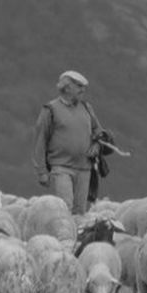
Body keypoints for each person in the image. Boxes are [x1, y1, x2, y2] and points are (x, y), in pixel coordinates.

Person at [32, 70, 104, 214]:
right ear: (67, 87)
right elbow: (40, 140)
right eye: (79, 86)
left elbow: (98, 131)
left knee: (80, 212)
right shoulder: (51, 109)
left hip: (84, 168)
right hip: (61, 167)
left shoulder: (86, 108)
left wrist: (97, 144)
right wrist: (42, 172)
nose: (83, 90)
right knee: (65, 208)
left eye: (84, 87)